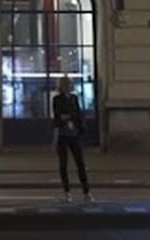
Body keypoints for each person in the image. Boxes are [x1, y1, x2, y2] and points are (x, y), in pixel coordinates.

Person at [52, 74, 91, 203]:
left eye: (69, 84)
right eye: (65, 85)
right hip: (63, 134)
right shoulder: (57, 99)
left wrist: (71, 118)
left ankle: (86, 192)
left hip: (74, 134)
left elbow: (78, 113)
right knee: (63, 165)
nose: (68, 87)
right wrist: (67, 117)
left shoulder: (74, 98)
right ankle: (67, 192)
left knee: (80, 163)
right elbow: (58, 116)